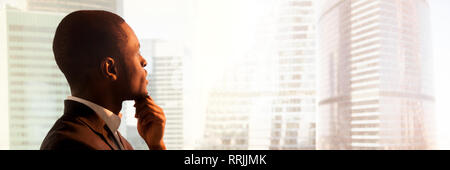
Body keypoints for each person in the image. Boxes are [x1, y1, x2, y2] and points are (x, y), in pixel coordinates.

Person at [40, 10, 166, 150]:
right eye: (136, 53)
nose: (144, 61)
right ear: (110, 69)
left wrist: (156, 145)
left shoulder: (118, 141)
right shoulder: (69, 143)